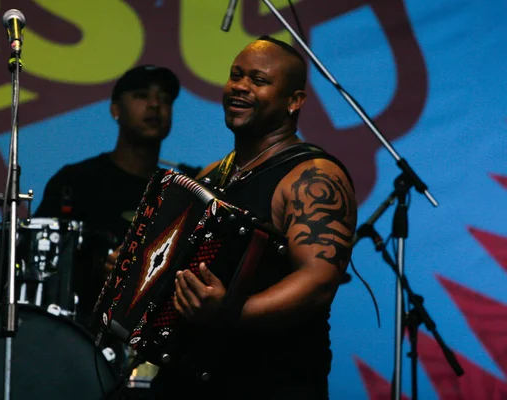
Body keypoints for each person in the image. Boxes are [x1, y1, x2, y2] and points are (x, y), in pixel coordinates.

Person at [149, 36, 358, 399]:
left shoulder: (313, 175)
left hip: (271, 384)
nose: (240, 87)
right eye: (236, 75)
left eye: (258, 81)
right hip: (190, 378)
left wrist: (228, 312)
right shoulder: (211, 175)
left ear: (294, 101)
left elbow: (320, 280)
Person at [33, 64, 180, 326]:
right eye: (141, 95)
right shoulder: (74, 182)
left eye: (165, 99)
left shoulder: (178, 189)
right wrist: (101, 266)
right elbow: (41, 263)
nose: (155, 105)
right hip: (78, 331)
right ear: (115, 110)